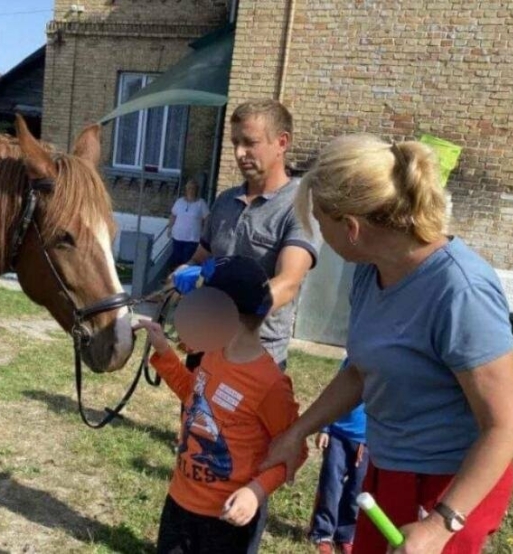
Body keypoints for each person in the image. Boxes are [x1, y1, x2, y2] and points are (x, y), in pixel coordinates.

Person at [260, 134, 513, 554]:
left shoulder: (460, 290)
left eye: (321, 224)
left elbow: (504, 426)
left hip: (449, 488)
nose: (320, 239)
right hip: (387, 469)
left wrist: (441, 524)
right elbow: (362, 370)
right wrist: (298, 432)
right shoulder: (371, 271)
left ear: (351, 227)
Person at [135, 256, 306, 554]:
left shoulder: (270, 385)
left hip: (226, 520)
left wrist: (256, 492)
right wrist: (164, 352)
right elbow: (194, 395)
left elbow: (295, 450)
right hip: (180, 504)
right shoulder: (213, 354)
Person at [177, 99, 320, 370]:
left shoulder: (299, 206)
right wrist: (184, 275)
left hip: (255, 357)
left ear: (282, 142)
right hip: (206, 347)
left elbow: (288, 283)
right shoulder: (225, 201)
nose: (240, 153)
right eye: (235, 143)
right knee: (195, 413)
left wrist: (223, 318)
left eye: (250, 142)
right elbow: (200, 259)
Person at [309, 356, 367, 554]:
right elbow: (333, 395)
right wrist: (325, 429)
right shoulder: (353, 360)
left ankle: (345, 534)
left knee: (356, 491)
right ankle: (323, 533)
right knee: (330, 486)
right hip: (338, 436)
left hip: (366, 443)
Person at [168, 179, 209, 269]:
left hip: (192, 239)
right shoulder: (179, 202)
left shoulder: (201, 203)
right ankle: (175, 280)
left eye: (193, 188)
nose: (191, 190)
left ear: (196, 190)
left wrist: (204, 232)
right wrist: (169, 228)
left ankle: (184, 280)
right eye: (189, 188)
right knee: (176, 260)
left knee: (187, 261)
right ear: (186, 189)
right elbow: (173, 215)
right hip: (178, 237)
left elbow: (207, 219)